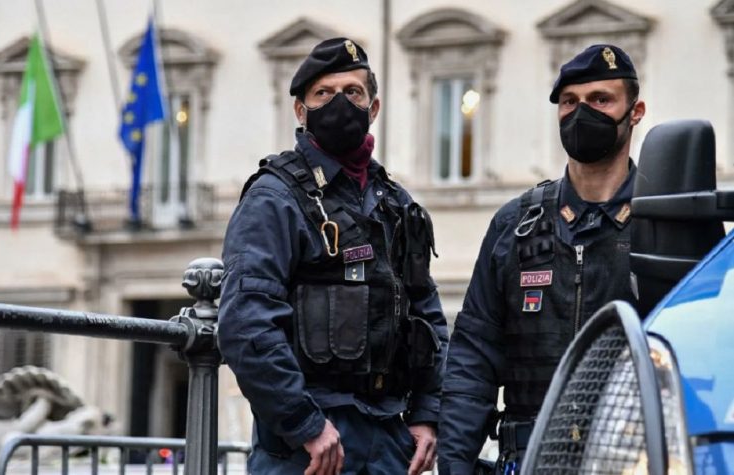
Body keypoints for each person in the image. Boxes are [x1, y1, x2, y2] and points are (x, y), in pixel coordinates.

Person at [217, 37, 449, 475]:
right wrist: (304, 423)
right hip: (308, 445)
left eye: (352, 92)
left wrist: (427, 414)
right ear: (300, 110)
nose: (339, 103)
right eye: (323, 93)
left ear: (373, 108)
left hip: (390, 438)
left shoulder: (395, 203)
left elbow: (427, 315)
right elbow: (246, 321)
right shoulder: (274, 198)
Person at [437, 44, 646, 474]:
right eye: (570, 102)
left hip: (631, 458)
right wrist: (453, 464)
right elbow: (473, 358)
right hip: (530, 458)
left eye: (601, 100)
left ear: (635, 111)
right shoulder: (517, 225)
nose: (582, 113)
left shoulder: (667, 223)